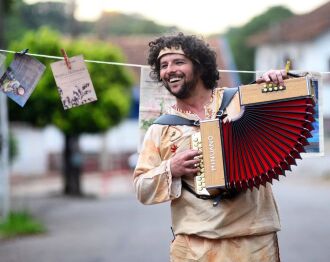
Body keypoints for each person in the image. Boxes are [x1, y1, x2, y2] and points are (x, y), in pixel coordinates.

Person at [133, 32, 288, 262]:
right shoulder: (160, 128)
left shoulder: (241, 101)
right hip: (195, 245)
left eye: (178, 62)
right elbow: (141, 188)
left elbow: (285, 120)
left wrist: (274, 87)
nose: (169, 70)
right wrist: (170, 168)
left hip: (254, 239)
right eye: (163, 65)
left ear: (199, 66)